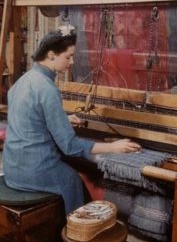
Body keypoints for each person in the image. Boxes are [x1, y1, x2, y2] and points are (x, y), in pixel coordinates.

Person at [2, 29, 141, 214]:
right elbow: (70, 146)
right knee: (73, 179)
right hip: (33, 171)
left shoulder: (23, 80)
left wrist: (62, 119)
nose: (72, 62)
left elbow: (28, 117)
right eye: (68, 57)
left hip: (12, 167)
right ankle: (76, 235)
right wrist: (113, 147)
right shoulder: (47, 88)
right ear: (51, 55)